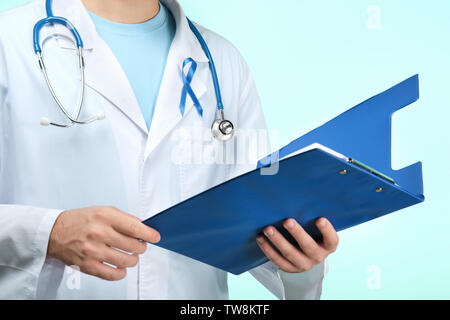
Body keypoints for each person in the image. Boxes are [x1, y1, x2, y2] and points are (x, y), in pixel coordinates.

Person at [0, 0, 339, 299]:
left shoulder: (222, 62)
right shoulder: (9, 42)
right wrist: (49, 232)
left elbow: (252, 222)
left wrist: (301, 261)